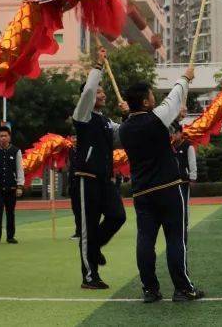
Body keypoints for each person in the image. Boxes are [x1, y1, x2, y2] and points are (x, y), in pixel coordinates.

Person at [119, 71, 205, 303]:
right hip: (168, 187)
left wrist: (127, 113)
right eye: (150, 95)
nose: (154, 97)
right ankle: (183, 288)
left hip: (142, 192)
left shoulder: (124, 129)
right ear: (145, 102)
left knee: (145, 240)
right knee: (176, 238)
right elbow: (174, 99)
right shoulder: (156, 118)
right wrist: (185, 78)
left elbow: (133, 119)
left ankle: (150, 289)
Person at [72, 48, 128, 290]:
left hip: (105, 179)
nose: (102, 94)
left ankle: (95, 249)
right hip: (86, 179)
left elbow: (122, 137)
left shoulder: (106, 121)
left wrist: (129, 117)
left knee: (118, 215)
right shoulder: (82, 115)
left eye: (104, 91)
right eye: (99, 91)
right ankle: (89, 276)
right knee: (88, 228)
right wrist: (97, 67)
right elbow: (87, 92)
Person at [170, 115, 197, 239]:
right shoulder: (170, 147)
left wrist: (193, 177)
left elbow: (192, 162)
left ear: (180, 133)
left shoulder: (188, 146)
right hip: (171, 182)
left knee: (184, 205)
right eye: (171, 133)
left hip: (184, 181)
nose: (173, 136)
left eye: (175, 133)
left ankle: (184, 228)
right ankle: (174, 229)